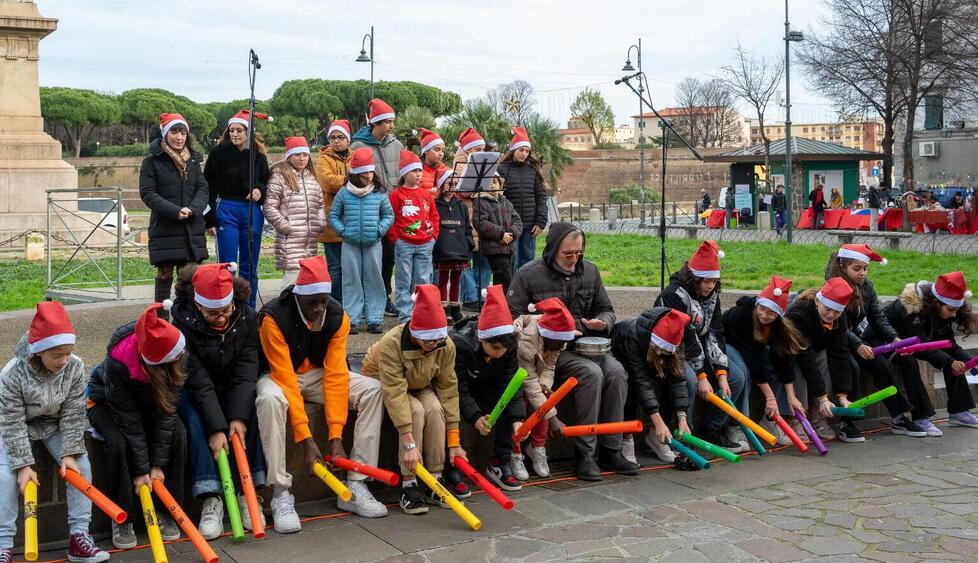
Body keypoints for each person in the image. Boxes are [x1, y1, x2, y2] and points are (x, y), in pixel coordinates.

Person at [256, 256, 388, 528]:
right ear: (298, 297)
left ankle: (357, 482)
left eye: (323, 302)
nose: (318, 309)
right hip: (277, 375)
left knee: (373, 390)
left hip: (315, 374)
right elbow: (285, 379)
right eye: (311, 303)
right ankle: (280, 492)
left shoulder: (338, 317)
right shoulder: (273, 318)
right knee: (269, 399)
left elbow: (336, 374)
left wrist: (335, 436)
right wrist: (306, 439)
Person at [507, 222, 638, 481]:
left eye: (579, 253)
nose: (574, 259)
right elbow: (513, 318)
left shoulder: (590, 271)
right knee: (591, 374)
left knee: (616, 373)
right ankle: (584, 453)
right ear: (553, 250)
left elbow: (607, 309)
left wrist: (604, 322)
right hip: (550, 349)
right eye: (568, 254)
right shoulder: (528, 274)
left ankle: (612, 449)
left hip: (589, 343)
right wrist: (564, 325)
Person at [0, 303, 109, 562]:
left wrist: (69, 453)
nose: (64, 360)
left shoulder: (74, 366)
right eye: (57, 355)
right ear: (38, 352)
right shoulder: (12, 373)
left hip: (53, 425)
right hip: (17, 427)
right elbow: (12, 420)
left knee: (81, 467)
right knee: (5, 476)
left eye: (68, 353)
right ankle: (3, 544)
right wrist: (23, 465)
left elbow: (73, 411)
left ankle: (79, 538)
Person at [170, 263, 267, 539]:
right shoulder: (182, 323)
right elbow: (197, 379)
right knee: (193, 418)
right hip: (195, 388)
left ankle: (249, 493)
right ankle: (210, 495)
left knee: (252, 409)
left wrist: (238, 417)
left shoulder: (246, 317)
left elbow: (246, 370)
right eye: (213, 313)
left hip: (232, 386)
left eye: (226, 310)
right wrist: (216, 429)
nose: (222, 318)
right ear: (198, 305)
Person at [87, 303, 192, 547]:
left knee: (178, 434)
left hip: (150, 403)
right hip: (106, 403)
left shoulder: (178, 353)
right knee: (118, 443)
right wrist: (142, 470)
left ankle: (167, 509)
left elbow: (166, 414)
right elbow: (129, 421)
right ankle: (122, 516)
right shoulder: (119, 360)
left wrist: (158, 465)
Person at [360, 285, 467, 514]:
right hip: (382, 379)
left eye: (437, 341)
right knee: (415, 411)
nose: (433, 346)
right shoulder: (392, 343)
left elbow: (448, 388)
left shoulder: (444, 345)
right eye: (428, 341)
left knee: (435, 409)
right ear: (415, 332)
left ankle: (434, 479)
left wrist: (454, 441)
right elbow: (395, 392)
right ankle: (409, 482)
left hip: (418, 382)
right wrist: (409, 444)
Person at [823, 245, 927, 442]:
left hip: (860, 340)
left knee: (882, 365)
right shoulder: (834, 286)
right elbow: (837, 323)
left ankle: (899, 417)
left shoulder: (866, 287)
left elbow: (877, 317)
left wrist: (894, 337)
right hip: (837, 341)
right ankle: (848, 423)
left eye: (865, 268)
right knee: (851, 368)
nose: (862, 273)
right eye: (857, 268)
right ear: (842, 267)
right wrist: (857, 345)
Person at [654, 241, 749, 453]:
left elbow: (715, 331)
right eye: (705, 281)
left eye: (714, 281)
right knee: (688, 381)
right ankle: (682, 435)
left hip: (699, 347)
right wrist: (701, 376)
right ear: (694, 277)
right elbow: (687, 335)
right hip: (674, 349)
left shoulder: (712, 295)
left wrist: (721, 372)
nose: (710, 286)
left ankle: (711, 428)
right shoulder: (674, 295)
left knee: (736, 378)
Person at [885, 272, 978, 433]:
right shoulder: (910, 308)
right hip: (888, 341)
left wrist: (969, 361)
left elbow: (948, 343)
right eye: (951, 310)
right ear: (936, 304)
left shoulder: (940, 309)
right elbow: (921, 344)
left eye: (956, 310)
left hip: (915, 342)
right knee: (910, 363)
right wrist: (949, 362)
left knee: (953, 359)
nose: (954, 314)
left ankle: (959, 411)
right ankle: (921, 417)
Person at [452, 285, 525, 491]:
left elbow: (511, 383)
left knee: (504, 404)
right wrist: (475, 417)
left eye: (504, 349)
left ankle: (500, 460)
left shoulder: (508, 346)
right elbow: (456, 388)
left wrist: (518, 419)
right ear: (482, 338)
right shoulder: (461, 345)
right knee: (449, 408)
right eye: (495, 348)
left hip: (490, 383)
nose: (501, 353)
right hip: (461, 388)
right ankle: (452, 467)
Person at [721, 276, 807, 446]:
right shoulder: (742, 316)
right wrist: (770, 398)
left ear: (779, 315)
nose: (764, 315)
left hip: (751, 351)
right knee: (743, 372)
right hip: (726, 343)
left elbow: (783, 359)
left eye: (771, 313)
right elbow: (752, 360)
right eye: (762, 309)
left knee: (775, 364)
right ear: (757, 305)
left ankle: (771, 419)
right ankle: (737, 424)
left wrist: (792, 397)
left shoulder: (777, 327)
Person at [140, 113, 209, 315]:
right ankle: (161, 322)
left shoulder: (193, 162)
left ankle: (186, 320)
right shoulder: (151, 161)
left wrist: (193, 209)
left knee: (188, 278)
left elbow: (203, 189)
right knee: (164, 274)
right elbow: (148, 193)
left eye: (183, 133)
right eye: (174, 132)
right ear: (165, 134)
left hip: (191, 227)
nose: (179, 137)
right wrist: (174, 211)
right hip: (165, 227)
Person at [203, 109, 270, 309]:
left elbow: (265, 183)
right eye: (231, 130)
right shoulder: (218, 154)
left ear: (248, 132)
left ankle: (249, 309)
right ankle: (227, 308)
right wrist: (209, 220)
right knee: (228, 264)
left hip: (251, 211)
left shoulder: (258, 156)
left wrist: (259, 190)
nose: (235, 134)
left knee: (250, 265)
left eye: (239, 130)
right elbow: (208, 187)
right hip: (226, 209)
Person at [610, 307, 692, 465]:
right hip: (622, 355)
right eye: (658, 348)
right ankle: (627, 438)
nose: (660, 353)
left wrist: (682, 417)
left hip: (647, 357)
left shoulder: (677, 341)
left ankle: (657, 436)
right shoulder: (633, 336)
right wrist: (657, 421)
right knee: (631, 385)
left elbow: (678, 379)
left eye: (665, 351)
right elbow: (640, 381)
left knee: (672, 381)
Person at [329, 148, 395, 334]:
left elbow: (388, 215)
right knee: (351, 280)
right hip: (350, 245)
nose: (368, 176)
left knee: (375, 279)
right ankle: (352, 319)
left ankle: (375, 318)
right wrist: (344, 232)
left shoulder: (379, 193)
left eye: (371, 172)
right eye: (364, 172)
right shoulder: (343, 193)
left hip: (373, 244)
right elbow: (333, 216)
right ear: (355, 174)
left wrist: (379, 231)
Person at [782, 277, 855, 440]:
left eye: (837, 312)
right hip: (792, 352)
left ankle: (817, 413)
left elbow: (840, 352)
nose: (832, 315)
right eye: (828, 309)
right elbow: (804, 356)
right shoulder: (799, 314)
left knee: (824, 359)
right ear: (817, 301)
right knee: (799, 368)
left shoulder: (839, 318)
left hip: (815, 349)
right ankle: (796, 416)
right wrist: (822, 397)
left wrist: (842, 394)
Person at [351, 99, 403, 318]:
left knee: (389, 257)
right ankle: (365, 300)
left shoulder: (397, 145)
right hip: (370, 209)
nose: (391, 125)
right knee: (370, 259)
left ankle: (385, 298)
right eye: (387, 121)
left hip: (394, 209)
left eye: (392, 121)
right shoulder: (358, 147)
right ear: (376, 122)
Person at [263, 137, 326, 290]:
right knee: (291, 283)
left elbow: (320, 205)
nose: (302, 158)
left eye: (305, 154)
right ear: (289, 156)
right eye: (297, 154)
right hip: (290, 241)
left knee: (307, 284)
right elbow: (269, 207)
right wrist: (287, 227)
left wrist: (320, 223)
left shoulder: (311, 178)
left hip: (310, 242)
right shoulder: (279, 177)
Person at [389, 150, 440, 322]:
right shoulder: (396, 195)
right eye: (414, 171)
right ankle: (405, 315)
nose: (418, 174)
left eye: (420, 170)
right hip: (404, 243)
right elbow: (390, 218)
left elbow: (434, 216)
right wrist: (396, 239)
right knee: (403, 280)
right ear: (404, 173)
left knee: (423, 279)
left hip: (425, 243)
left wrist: (433, 237)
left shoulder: (426, 194)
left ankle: (421, 313)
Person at [497, 127, 548, 271]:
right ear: (514, 150)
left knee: (528, 263)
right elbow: (497, 198)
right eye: (521, 150)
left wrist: (540, 222)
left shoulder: (533, 170)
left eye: (527, 151)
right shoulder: (501, 169)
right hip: (510, 225)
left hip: (530, 226)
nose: (524, 154)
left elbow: (541, 197)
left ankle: (526, 286)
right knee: (511, 262)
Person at [316, 119, 354, 304]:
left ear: (348, 139)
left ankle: (351, 303)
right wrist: (351, 180)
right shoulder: (323, 158)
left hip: (354, 219)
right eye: (332, 137)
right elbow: (327, 182)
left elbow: (365, 178)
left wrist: (347, 181)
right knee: (335, 267)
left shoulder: (356, 156)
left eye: (340, 137)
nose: (336, 141)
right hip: (332, 220)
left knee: (352, 267)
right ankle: (335, 304)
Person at [453, 128, 492, 311]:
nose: (481, 153)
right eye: (478, 150)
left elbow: (494, 186)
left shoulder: (486, 165)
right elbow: (463, 190)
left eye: (483, 149)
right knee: (466, 261)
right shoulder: (459, 166)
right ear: (467, 150)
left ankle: (481, 294)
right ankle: (469, 296)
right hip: (467, 219)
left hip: (483, 217)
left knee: (484, 260)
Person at [433, 169, 473, 323]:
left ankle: (455, 308)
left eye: (456, 183)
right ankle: (444, 308)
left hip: (459, 247)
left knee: (456, 277)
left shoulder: (461, 205)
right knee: (443, 278)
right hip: (443, 247)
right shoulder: (436, 204)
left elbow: (467, 227)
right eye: (450, 182)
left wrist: (468, 243)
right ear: (442, 184)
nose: (453, 185)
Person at [472, 176, 523, 292]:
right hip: (493, 247)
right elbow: (480, 222)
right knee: (505, 278)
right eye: (488, 182)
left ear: (500, 184)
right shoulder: (480, 201)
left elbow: (518, 222)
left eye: (494, 182)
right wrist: (501, 234)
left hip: (509, 247)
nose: (492, 185)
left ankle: (498, 300)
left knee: (505, 278)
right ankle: (506, 301)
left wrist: (511, 235)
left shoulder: (507, 202)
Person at [418, 128, 445, 194]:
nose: (441, 154)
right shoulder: (416, 172)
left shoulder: (446, 171)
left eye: (443, 151)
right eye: (437, 150)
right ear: (426, 151)